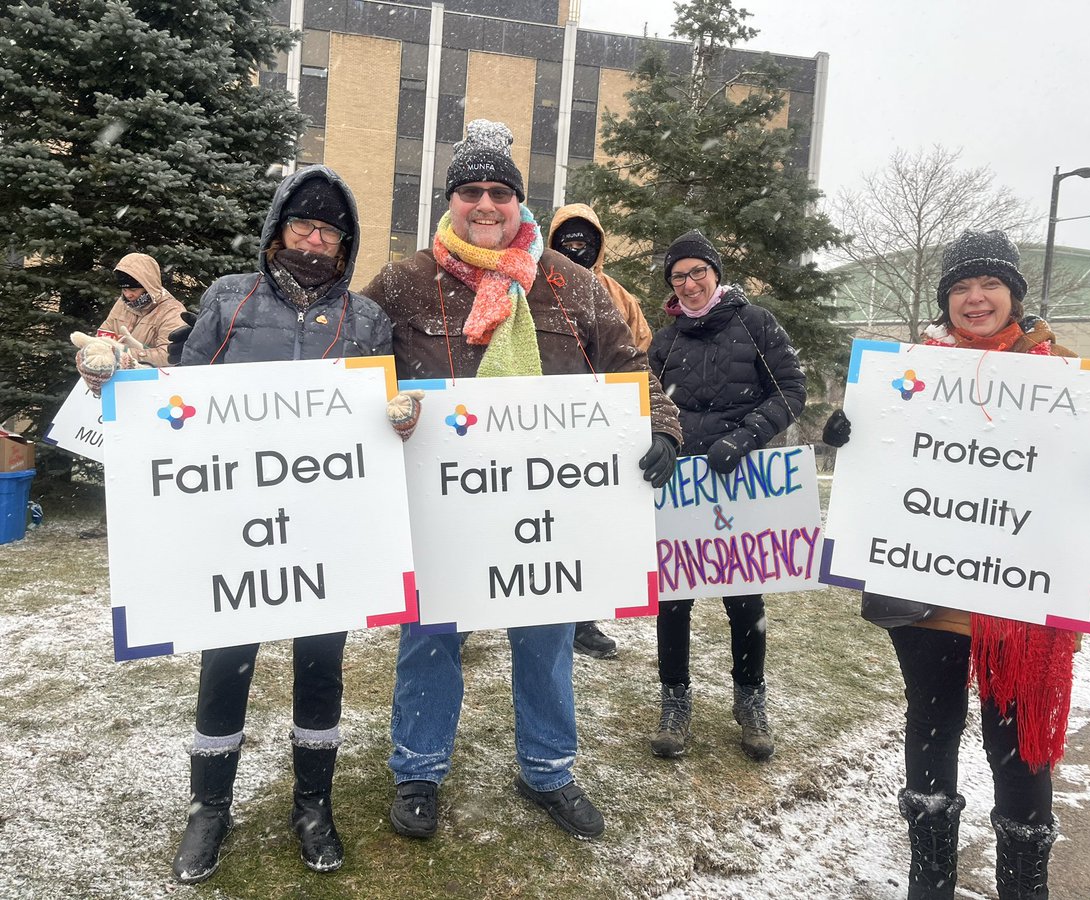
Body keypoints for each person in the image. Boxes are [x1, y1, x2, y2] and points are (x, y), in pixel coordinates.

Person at [361, 119, 681, 842]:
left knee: (546, 635)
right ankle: (417, 768)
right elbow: (351, 362)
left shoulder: (572, 285)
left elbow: (629, 365)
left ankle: (547, 770)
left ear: (518, 203)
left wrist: (661, 425)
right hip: (443, 501)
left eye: (498, 192)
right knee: (432, 636)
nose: (484, 204)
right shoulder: (405, 281)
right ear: (451, 200)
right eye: (470, 191)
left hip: (549, 505)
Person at [821, 230, 1090, 900]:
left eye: (989, 285)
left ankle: (1024, 882)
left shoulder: (1062, 373)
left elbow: (1077, 481)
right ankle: (930, 878)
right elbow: (881, 453)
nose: (975, 299)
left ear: (1014, 295)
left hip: (1017, 607)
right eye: (961, 288)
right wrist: (846, 435)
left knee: (1018, 750)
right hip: (926, 595)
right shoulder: (911, 369)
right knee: (930, 726)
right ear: (945, 299)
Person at [170, 166, 394, 883]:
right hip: (237, 521)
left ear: (344, 242)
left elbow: (385, 417)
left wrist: (403, 418)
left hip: (325, 525)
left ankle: (312, 804)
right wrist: (115, 385)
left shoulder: (366, 321)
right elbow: (184, 393)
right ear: (277, 229)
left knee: (321, 665)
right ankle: (210, 808)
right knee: (224, 662)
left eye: (329, 230)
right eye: (303, 224)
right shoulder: (229, 298)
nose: (315, 238)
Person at [646, 229, 807, 762]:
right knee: (674, 598)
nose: (689, 284)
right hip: (683, 485)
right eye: (678, 276)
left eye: (698, 272)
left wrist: (746, 436)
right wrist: (661, 442)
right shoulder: (665, 341)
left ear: (715, 272)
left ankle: (750, 699)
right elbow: (646, 403)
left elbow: (791, 390)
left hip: (742, 481)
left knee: (744, 599)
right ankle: (675, 701)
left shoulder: (755, 322)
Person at [549, 202, 653, 660]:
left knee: (584, 528)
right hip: (540, 426)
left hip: (598, 428)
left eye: (584, 238)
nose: (576, 246)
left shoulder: (618, 296)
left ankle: (581, 619)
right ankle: (480, 611)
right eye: (567, 238)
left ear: (599, 244)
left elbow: (640, 352)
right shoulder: (531, 283)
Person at [73, 253, 188, 392]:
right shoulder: (123, 304)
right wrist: (96, 349)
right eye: (124, 289)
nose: (128, 295)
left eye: (133, 289)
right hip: (117, 383)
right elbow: (105, 332)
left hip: (155, 387)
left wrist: (127, 353)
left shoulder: (172, 311)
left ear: (148, 286)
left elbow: (169, 355)